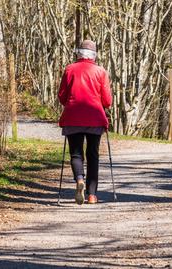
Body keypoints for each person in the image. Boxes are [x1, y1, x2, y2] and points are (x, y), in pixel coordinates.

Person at [58, 40, 112, 205]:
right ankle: (92, 195)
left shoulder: (69, 69)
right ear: (94, 55)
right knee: (93, 155)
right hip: (94, 118)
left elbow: (62, 96)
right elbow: (107, 100)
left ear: (78, 53)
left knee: (76, 153)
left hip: (73, 117)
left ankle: (79, 179)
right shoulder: (100, 72)